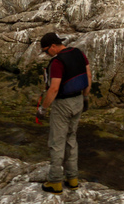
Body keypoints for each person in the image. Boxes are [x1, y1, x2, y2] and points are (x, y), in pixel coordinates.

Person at [35, 32, 91, 193]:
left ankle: (55, 181)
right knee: (71, 139)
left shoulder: (58, 62)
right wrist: (85, 98)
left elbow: (54, 89)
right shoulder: (79, 53)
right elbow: (88, 76)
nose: (46, 54)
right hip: (78, 100)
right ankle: (72, 179)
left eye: (46, 51)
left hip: (62, 104)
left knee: (56, 142)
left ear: (53, 46)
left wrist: (43, 109)